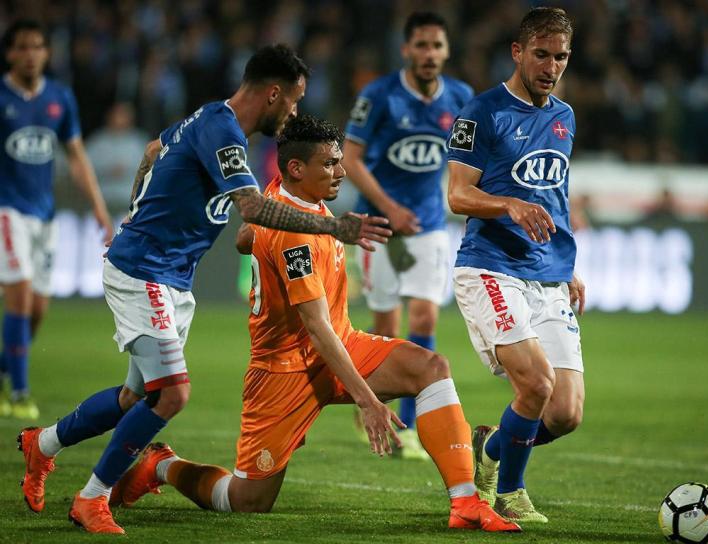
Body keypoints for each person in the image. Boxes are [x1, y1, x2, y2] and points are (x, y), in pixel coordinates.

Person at [17, 45, 391, 534]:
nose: (295, 111)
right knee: (172, 393)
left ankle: (42, 444)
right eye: (294, 100)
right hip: (144, 272)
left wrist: (136, 211)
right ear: (273, 94)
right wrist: (334, 227)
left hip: (172, 277)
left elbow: (153, 151)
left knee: (136, 397)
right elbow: (252, 208)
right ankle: (91, 498)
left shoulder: (210, 120)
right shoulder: (222, 129)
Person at [108, 114, 521, 534]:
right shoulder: (295, 239)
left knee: (430, 368)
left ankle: (465, 502)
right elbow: (316, 328)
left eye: (339, 161)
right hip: (284, 371)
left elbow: (244, 237)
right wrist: (367, 401)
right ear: (296, 169)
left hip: (341, 344)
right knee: (247, 501)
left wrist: (257, 241)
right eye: (329, 164)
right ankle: (162, 464)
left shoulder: (282, 196)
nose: (341, 172)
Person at [446, 7, 586, 524]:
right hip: (490, 267)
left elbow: (553, 197)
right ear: (517, 52)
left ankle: (489, 449)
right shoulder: (480, 113)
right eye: (542, 55)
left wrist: (565, 267)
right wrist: (508, 204)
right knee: (536, 384)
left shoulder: (565, 117)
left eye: (561, 57)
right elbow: (457, 195)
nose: (552, 67)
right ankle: (510, 493)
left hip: (548, 274)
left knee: (565, 413)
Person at [342, 12, 473, 459]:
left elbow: (473, 157)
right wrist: (390, 207)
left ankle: (411, 428)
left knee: (424, 319)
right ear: (406, 50)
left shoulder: (461, 97)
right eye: (421, 45)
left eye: (437, 45)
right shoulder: (379, 95)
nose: (429, 54)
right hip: (378, 226)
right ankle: (370, 407)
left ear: (447, 51)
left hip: (429, 225)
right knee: (384, 328)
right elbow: (350, 159)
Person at [0, 20, 114, 420]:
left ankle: (4, 371)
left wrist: (99, 207)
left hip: (45, 216)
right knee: (19, 295)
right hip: (7, 210)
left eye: (37, 46)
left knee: (37, 310)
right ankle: (19, 393)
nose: (30, 54)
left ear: (47, 53)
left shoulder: (59, 98)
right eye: (22, 47)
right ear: (9, 53)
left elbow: (76, 156)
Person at [86, 102, 149, 216]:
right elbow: (84, 168)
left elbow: (151, 169)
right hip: (102, 201)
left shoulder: (139, 141)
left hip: (130, 203)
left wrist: (127, 170)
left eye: (123, 115)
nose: (119, 119)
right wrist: (107, 170)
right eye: (117, 115)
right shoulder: (98, 141)